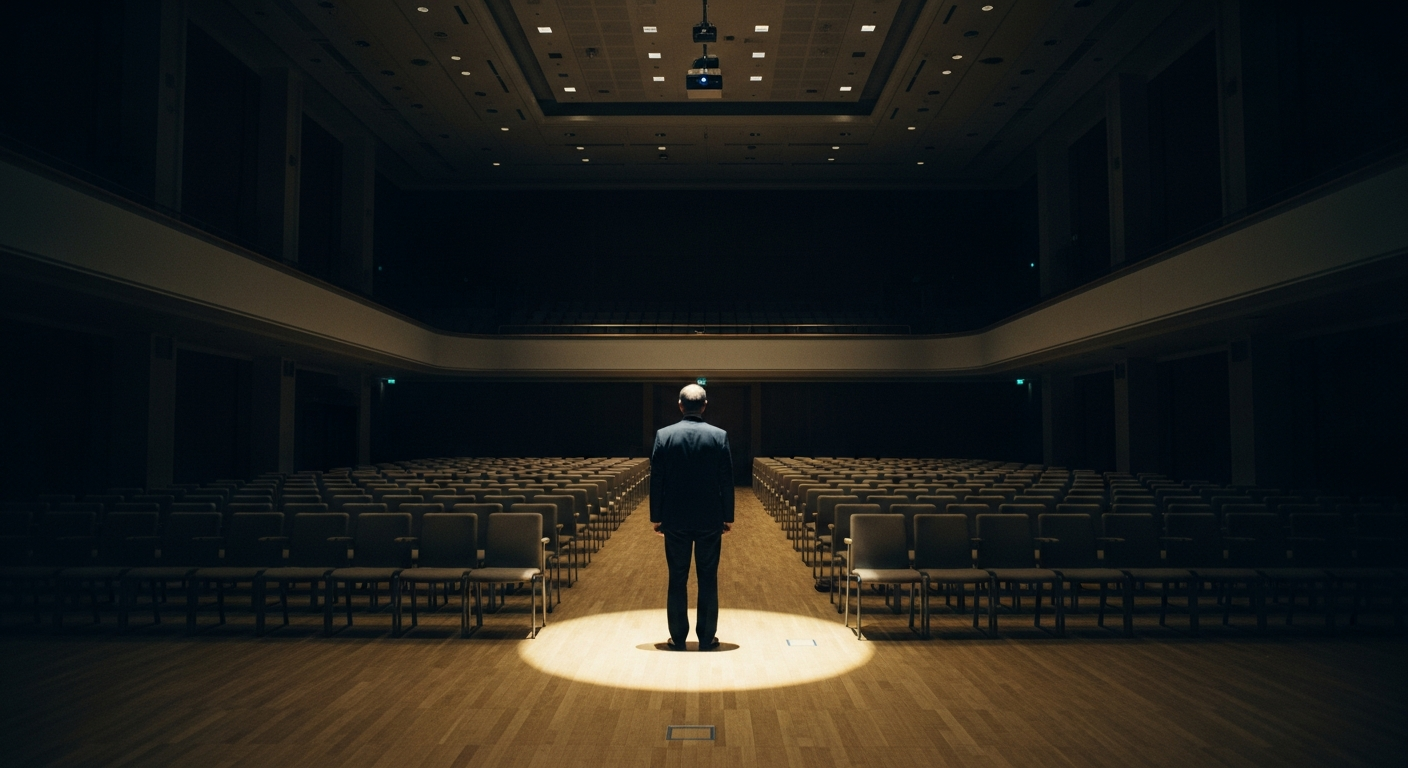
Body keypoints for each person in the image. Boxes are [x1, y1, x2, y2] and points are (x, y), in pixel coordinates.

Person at [650, 383, 734, 650]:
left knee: (677, 577)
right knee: (708, 577)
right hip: (710, 518)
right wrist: (728, 515)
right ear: (705, 406)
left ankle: (678, 638)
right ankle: (707, 638)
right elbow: (726, 480)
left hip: (674, 518)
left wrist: (656, 516)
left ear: (680, 405)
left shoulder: (665, 435)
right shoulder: (719, 436)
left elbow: (657, 480)